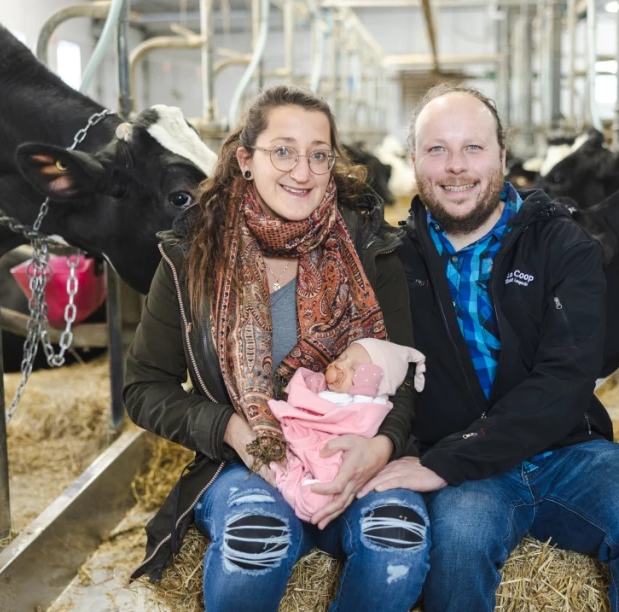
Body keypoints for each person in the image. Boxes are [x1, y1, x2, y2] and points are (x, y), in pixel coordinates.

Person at [359, 83, 619, 612]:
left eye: (473, 148)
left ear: (503, 157)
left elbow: (568, 376)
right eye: (437, 149)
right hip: (469, 472)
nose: (456, 167)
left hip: (567, 454)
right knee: (459, 542)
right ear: (415, 161)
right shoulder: (391, 263)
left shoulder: (562, 244)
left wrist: (448, 461)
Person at [123, 85, 429, 612]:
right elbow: (144, 388)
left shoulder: (372, 251)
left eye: (318, 154)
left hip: (351, 453)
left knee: (395, 537)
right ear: (245, 159)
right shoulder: (191, 256)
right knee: (254, 540)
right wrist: (230, 430)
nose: (302, 171)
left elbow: (398, 377)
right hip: (249, 462)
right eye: (282, 150)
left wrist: (379, 449)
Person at [268, 338, 428, 521]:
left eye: (354, 369)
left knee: (321, 491)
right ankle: (290, 480)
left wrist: (365, 391)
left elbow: (361, 422)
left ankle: (301, 491)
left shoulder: (367, 405)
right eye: (342, 357)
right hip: (299, 441)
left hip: (331, 453)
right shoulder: (322, 387)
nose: (339, 365)